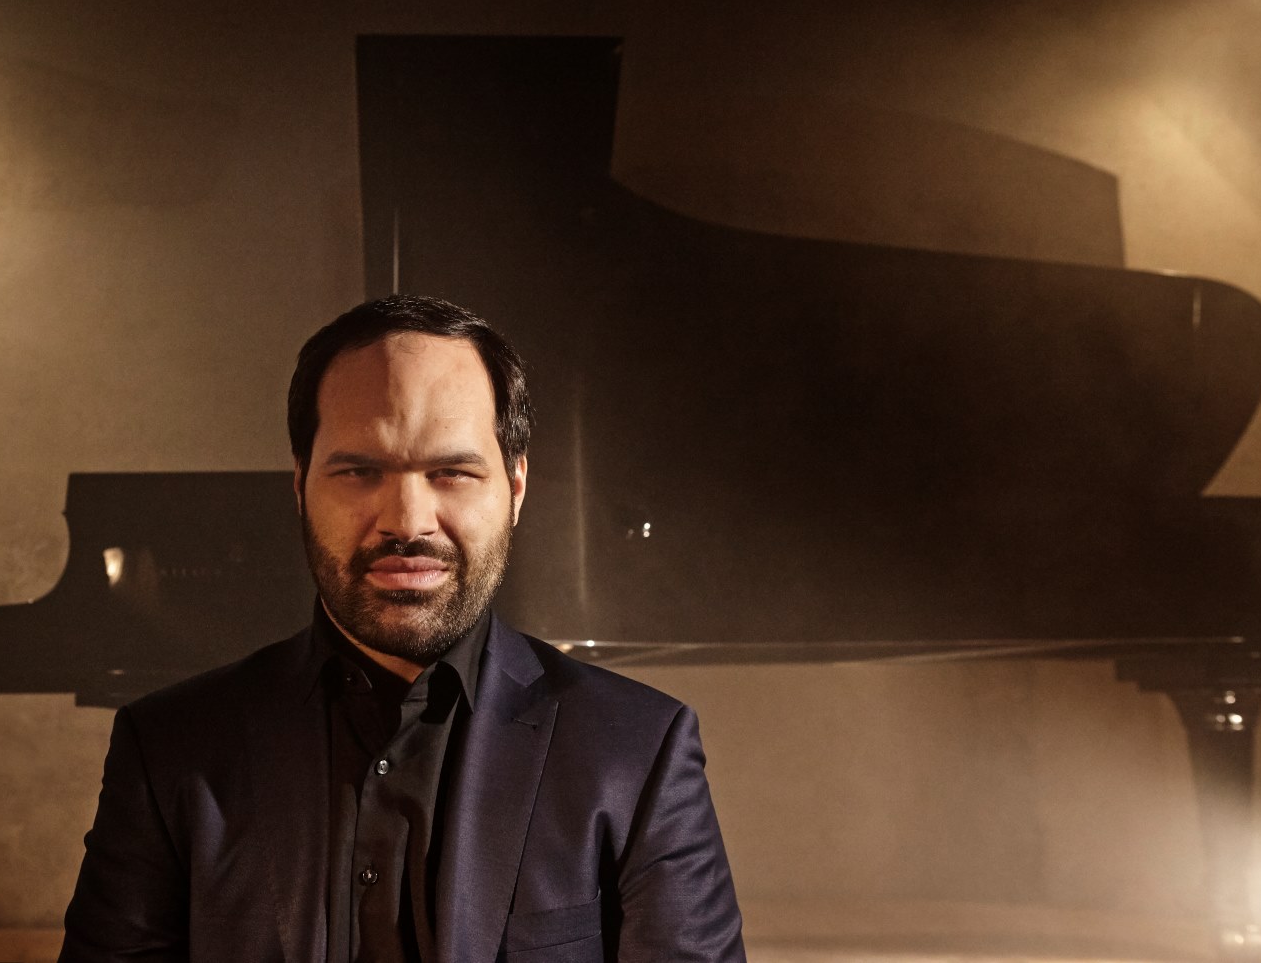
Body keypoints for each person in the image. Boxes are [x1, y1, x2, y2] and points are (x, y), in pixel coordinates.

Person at [59, 295, 747, 963]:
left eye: (452, 472)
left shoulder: (638, 751)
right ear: (300, 487)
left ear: (515, 487)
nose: (407, 521)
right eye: (360, 471)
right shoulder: (166, 748)